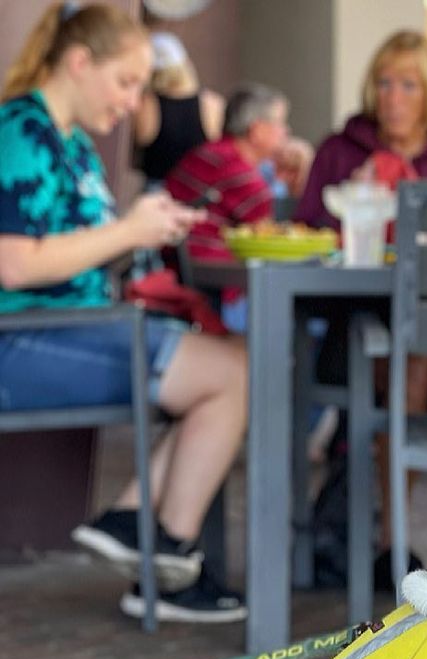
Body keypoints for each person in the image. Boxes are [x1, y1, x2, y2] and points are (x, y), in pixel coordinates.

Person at [0, 2, 248, 625]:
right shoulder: (19, 132)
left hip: (75, 330)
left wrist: (152, 228)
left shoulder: (75, 145)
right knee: (234, 373)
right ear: (80, 63)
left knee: (237, 366)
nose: (135, 102)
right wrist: (128, 231)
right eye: (126, 82)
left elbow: (84, 250)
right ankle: (156, 544)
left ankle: (140, 525)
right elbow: (15, 266)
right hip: (23, 341)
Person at [295, 29, 427, 591]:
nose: (393, 97)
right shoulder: (341, 151)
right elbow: (305, 238)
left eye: (407, 84)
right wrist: (350, 210)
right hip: (353, 333)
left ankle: (400, 545)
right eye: (384, 83)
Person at [166, 82, 290, 332]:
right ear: (257, 130)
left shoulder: (207, 153)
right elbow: (270, 236)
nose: (286, 131)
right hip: (216, 289)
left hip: (181, 272)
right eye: (279, 123)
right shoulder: (237, 170)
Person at [132, 28, 224, 186]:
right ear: (186, 64)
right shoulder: (212, 103)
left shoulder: (147, 104)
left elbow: (140, 140)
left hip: (158, 189)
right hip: (197, 190)